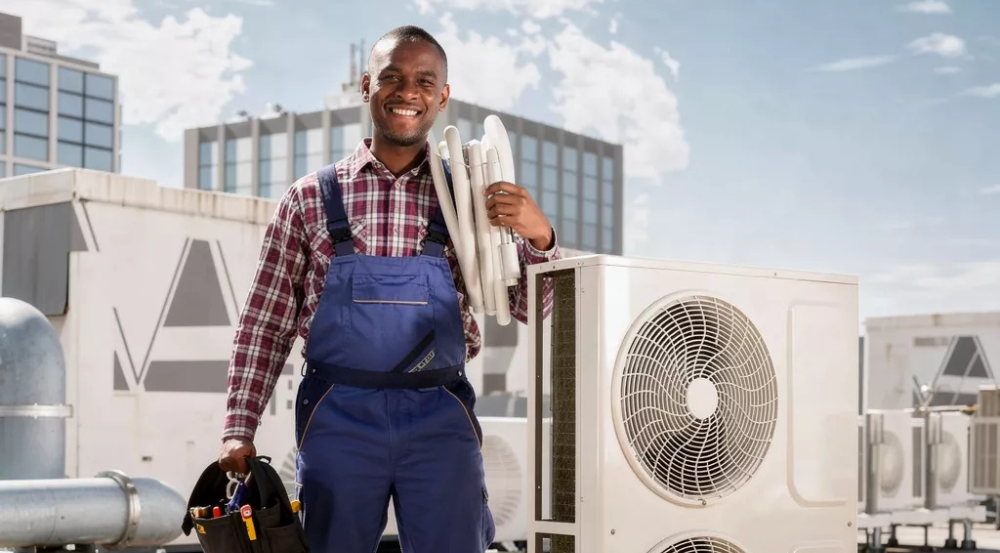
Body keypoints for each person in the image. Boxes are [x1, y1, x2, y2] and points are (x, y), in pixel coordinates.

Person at [217, 25, 561, 552]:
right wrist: (239, 427)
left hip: (440, 415)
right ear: (365, 85)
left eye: (425, 81)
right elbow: (264, 325)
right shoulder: (309, 198)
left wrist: (540, 237)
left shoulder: (471, 196)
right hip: (338, 416)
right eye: (392, 77)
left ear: (442, 97)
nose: (408, 92)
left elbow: (532, 308)